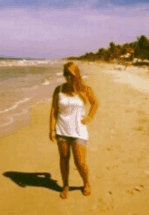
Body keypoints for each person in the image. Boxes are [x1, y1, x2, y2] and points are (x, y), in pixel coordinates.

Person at [49, 62, 98, 199]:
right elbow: (54, 110)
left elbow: (95, 103)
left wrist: (89, 117)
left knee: (80, 162)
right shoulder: (58, 90)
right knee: (64, 160)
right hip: (62, 131)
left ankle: (86, 183)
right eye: (65, 74)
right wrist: (51, 129)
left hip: (79, 131)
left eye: (70, 74)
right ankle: (65, 186)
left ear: (76, 74)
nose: (68, 77)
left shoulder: (84, 89)